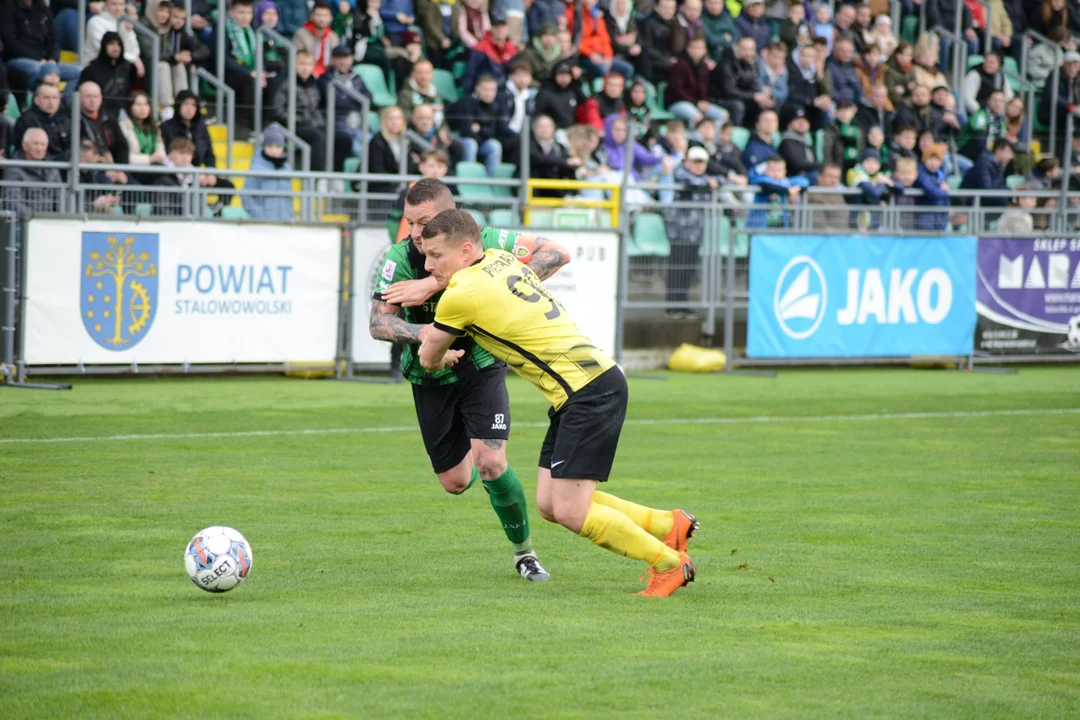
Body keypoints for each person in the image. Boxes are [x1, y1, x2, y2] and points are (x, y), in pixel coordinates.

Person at [416, 208, 697, 597]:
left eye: (435, 255)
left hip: (589, 391)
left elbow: (429, 358)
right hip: (583, 387)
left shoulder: (461, 293)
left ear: (465, 250)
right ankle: (670, 526)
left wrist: (439, 355)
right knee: (550, 504)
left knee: (569, 510)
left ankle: (670, 564)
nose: (428, 265)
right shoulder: (499, 259)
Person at [370, 180, 572, 583]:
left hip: (481, 365)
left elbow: (556, 253)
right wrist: (427, 336)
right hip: (429, 374)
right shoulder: (400, 257)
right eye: (409, 223)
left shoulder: (486, 241)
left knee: (493, 462)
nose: (413, 233)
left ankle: (525, 554)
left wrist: (443, 283)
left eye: (423, 222)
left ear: (449, 215)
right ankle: (485, 471)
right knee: (456, 481)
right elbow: (378, 323)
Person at [272, 50, 353, 172]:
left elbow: (319, 107)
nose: (305, 68)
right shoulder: (284, 84)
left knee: (344, 139)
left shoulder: (315, 85)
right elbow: (277, 111)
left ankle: (336, 177)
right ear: (294, 64)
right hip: (293, 126)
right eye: (301, 64)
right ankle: (317, 177)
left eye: (308, 64)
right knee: (318, 137)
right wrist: (298, 119)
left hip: (315, 125)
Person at [664, 145, 715, 314]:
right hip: (679, 232)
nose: (699, 166)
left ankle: (682, 303)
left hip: (696, 233)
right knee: (677, 269)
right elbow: (691, 182)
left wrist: (711, 182)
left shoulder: (704, 177)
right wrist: (709, 183)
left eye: (702, 163)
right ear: (687, 161)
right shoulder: (680, 172)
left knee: (689, 269)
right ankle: (672, 306)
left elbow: (720, 181)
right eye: (695, 162)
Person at [160, 90, 236, 203]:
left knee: (228, 187)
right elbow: (169, 155)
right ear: (178, 105)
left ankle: (216, 213)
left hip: (198, 174)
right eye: (186, 104)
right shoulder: (167, 127)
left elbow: (209, 155)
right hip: (178, 175)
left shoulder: (201, 128)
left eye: (193, 105)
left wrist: (210, 173)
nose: (189, 108)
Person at [0, 0, 83, 95]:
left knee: (82, 72)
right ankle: (42, 103)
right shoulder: (7, 7)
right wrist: (39, 59)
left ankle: (64, 104)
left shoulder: (42, 8)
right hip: (18, 60)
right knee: (46, 70)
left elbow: (55, 39)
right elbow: (11, 43)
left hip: (47, 62)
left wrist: (53, 58)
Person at [212, 0, 259, 134]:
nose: (245, 17)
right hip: (226, 73)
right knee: (250, 81)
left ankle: (266, 124)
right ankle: (249, 125)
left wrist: (262, 72)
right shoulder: (223, 29)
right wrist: (247, 72)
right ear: (231, 13)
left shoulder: (253, 31)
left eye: (248, 13)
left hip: (248, 72)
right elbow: (222, 58)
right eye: (241, 12)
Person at [135, 0, 189, 114]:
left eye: (168, 12)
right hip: (144, 67)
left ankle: (184, 102)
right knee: (164, 66)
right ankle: (167, 107)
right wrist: (173, 58)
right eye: (161, 10)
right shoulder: (142, 25)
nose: (164, 14)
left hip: (162, 63)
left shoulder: (168, 28)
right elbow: (149, 53)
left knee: (178, 66)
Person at [448, 74, 504, 177]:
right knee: (471, 144)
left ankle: (492, 183)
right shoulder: (466, 102)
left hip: (479, 140)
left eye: (493, 90)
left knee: (494, 145)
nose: (489, 93)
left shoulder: (494, 106)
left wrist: (480, 129)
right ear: (477, 88)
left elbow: (492, 132)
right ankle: (469, 180)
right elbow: (466, 131)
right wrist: (482, 132)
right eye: (486, 89)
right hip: (457, 138)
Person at [2, 127, 62, 215]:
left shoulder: (52, 169)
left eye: (43, 144)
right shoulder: (13, 170)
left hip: (49, 222)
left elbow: (61, 198)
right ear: (24, 146)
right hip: (24, 224)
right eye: (35, 144)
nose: (39, 148)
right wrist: (34, 218)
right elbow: (12, 202)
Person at [242, 123, 295, 221]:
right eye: (270, 146)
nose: (274, 150)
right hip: (263, 225)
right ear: (264, 146)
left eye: (278, 146)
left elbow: (289, 198)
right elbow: (246, 196)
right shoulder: (256, 168)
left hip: (285, 223)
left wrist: (291, 217)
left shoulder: (287, 168)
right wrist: (260, 217)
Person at [79, 31, 136, 118]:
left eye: (118, 45)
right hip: (99, 113)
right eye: (111, 44)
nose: (116, 48)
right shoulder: (92, 69)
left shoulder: (128, 68)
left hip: (123, 112)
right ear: (104, 46)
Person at [713, 36, 767, 127]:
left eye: (751, 50)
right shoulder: (726, 64)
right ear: (736, 48)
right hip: (720, 99)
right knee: (738, 106)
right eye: (745, 49)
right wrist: (753, 96)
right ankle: (735, 132)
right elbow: (729, 91)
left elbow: (754, 85)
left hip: (741, 98)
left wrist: (761, 95)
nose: (749, 53)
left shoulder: (753, 64)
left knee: (762, 103)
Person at [84, 0, 144, 80]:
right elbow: (105, 50)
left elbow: (134, 51)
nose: (118, 8)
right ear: (105, 5)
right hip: (95, 68)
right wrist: (134, 58)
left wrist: (128, 31)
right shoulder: (95, 22)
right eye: (114, 4)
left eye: (121, 4)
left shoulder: (124, 23)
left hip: (117, 68)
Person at [12, 82, 70, 160]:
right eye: (46, 97)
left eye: (55, 98)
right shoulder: (26, 121)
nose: (51, 102)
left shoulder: (65, 120)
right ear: (37, 100)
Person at [119, 91, 167, 183]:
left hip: (154, 168)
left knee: (163, 177)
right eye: (138, 104)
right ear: (130, 107)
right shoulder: (124, 126)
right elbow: (126, 157)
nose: (143, 108)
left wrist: (157, 157)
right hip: (133, 170)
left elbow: (161, 151)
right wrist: (149, 159)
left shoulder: (154, 127)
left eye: (146, 104)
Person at [78, 80, 129, 165]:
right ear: (79, 98)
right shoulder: (75, 120)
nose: (92, 100)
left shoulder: (110, 119)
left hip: (115, 168)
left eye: (96, 96)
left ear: (101, 99)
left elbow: (122, 145)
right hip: (92, 169)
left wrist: (121, 170)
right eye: (88, 96)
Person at [463, 12, 518, 90]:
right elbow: (470, 73)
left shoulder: (511, 49)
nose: (500, 30)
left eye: (503, 27)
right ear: (491, 28)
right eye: (496, 27)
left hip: (505, 89)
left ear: (507, 29)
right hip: (485, 88)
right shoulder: (480, 48)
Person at [529, 114, 577, 194]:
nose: (545, 129)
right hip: (534, 186)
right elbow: (539, 159)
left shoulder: (559, 147)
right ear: (534, 128)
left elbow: (568, 160)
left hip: (554, 188)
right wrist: (566, 162)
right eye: (541, 126)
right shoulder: (528, 144)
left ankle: (573, 195)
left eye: (548, 126)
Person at [788, 43, 831, 131]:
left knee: (824, 112)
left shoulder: (814, 72)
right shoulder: (792, 70)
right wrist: (811, 101)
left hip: (811, 105)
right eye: (804, 56)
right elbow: (792, 94)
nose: (807, 59)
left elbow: (826, 91)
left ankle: (817, 138)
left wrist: (820, 77)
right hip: (796, 105)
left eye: (811, 57)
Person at [959, 137, 1014, 206]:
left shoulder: (999, 166)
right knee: (1002, 200)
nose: (1011, 156)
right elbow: (986, 190)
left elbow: (998, 185)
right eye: (1008, 152)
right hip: (970, 202)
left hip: (982, 201)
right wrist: (1010, 190)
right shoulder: (984, 164)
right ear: (999, 150)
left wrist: (1009, 190)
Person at [367, 104, 408, 193]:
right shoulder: (377, 142)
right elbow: (377, 170)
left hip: (401, 186)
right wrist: (396, 185)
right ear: (384, 121)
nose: (395, 122)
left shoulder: (409, 140)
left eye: (398, 118)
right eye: (391, 119)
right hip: (381, 187)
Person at [409, 103, 464, 168]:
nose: (425, 122)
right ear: (413, 119)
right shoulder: (407, 138)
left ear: (433, 120)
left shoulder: (441, 136)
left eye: (428, 118)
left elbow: (449, 163)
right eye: (421, 118)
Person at [293, 1, 339, 78]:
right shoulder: (301, 34)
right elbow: (297, 60)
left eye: (325, 15)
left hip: (328, 76)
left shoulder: (334, 37)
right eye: (319, 15)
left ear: (331, 18)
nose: (322, 19)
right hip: (306, 76)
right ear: (312, 16)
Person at [152, 136, 197, 215]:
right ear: (171, 154)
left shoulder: (195, 178)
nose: (185, 157)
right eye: (181, 153)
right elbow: (162, 209)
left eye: (189, 154)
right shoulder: (162, 177)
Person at [961, 50, 1013, 116]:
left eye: (992, 63)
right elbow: (967, 99)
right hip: (977, 113)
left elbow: (1009, 98)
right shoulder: (974, 74)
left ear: (999, 66)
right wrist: (982, 114)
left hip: (996, 114)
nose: (988, 64)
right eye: (986, 61)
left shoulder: (1001, 78)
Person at [534, 59, 583, 130]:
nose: (564, 78)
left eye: (567, 75)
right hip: (552, 131)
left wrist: (578, 81)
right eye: (561, 74)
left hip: (572, 130)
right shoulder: (545, 93)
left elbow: (584, 103)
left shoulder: (574, 92)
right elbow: (538, 115)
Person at [959, 88, 1007, 160]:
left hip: (988, 156)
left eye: (1001, 101)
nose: (997, 103)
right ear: (988, 101)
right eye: (995, 100)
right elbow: (979, 142)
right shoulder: (980, 115)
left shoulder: (1001, 122)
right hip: (967, 153)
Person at [637, 0, 677, 84]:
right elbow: (647, 48)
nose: (669, 11)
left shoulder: (674, 23)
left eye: (671, 8)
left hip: (668, 59)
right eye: (665, 8)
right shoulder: (647, 23)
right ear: (656, 8)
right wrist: (667, 60)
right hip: (653, 62)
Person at [915, 142, 951, 230]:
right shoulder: (921, 173)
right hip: (925, 218)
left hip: (940, 217)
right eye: (930, 159)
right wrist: (945, 191)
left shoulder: (940, 173)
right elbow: (932, 191)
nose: (933, 163)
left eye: (936, 160)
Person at [822, 97, 862, 175]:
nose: (844, 113)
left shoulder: (857, 127)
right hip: (837, 167)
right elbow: (827, 150)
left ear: (852, 111)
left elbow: (861, 148)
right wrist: (829, 167)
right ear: (836, 112)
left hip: (855, 168)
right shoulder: (832, 127)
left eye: (847, 110)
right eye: (841, 110)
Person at [777, 104, 817, 180]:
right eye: (798, 121)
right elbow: (798, 165)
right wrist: (820, 165)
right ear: (789, 124)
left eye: (805, 121)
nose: (802, 124)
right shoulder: (787, 142)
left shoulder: (807, 143)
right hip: (793, 180)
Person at [805, 162, 850, 229]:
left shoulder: (838, 195)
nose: (834, 181)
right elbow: (818, 227)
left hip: (844, 237)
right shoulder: (814, 197)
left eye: (837, 177)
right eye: (830, 176)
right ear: (819, 177)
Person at [758, 40, 790, 111]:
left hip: (774, 102)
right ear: (767, 54)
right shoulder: (758, 65)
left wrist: (771, 91)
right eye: (775, 57)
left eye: (782, 58)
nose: (778, 61)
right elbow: (757, 86)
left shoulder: (783, 70)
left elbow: (784, 93)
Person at [885, 41, 917, 110]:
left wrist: (907, 89)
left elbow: (915, 88)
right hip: (895, 105)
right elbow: (891, 94)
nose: (904, 58)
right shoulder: (888, 70)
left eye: (908, 55)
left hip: (909, 103)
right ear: (896, 54)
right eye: (901, 54)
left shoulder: (911, 69)